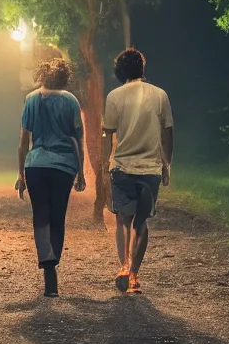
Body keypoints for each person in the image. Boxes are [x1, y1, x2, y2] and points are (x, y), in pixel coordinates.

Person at [102, 48, 174, 294]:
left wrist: (104, 166)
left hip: (122, 167)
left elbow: (108, 134)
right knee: (141, 223)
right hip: (150, 168)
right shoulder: (160, 95)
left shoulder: (114, 96)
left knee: (123, 220)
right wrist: (167, 164)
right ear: (142, 68)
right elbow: (168, 132)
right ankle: (134, 275)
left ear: (120, 71)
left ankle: (123, 266)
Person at [16, 58, 86, 298]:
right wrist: (82, 172)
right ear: (65, 77)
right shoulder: (70, 101)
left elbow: (23, 142)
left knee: (41, 216)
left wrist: (20, 175)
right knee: (58, 216)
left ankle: (47, 265)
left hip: (35, 165)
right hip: (63, 166)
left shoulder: (31, 99)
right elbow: (79, 138)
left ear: (42, 76)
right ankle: (53, 261)